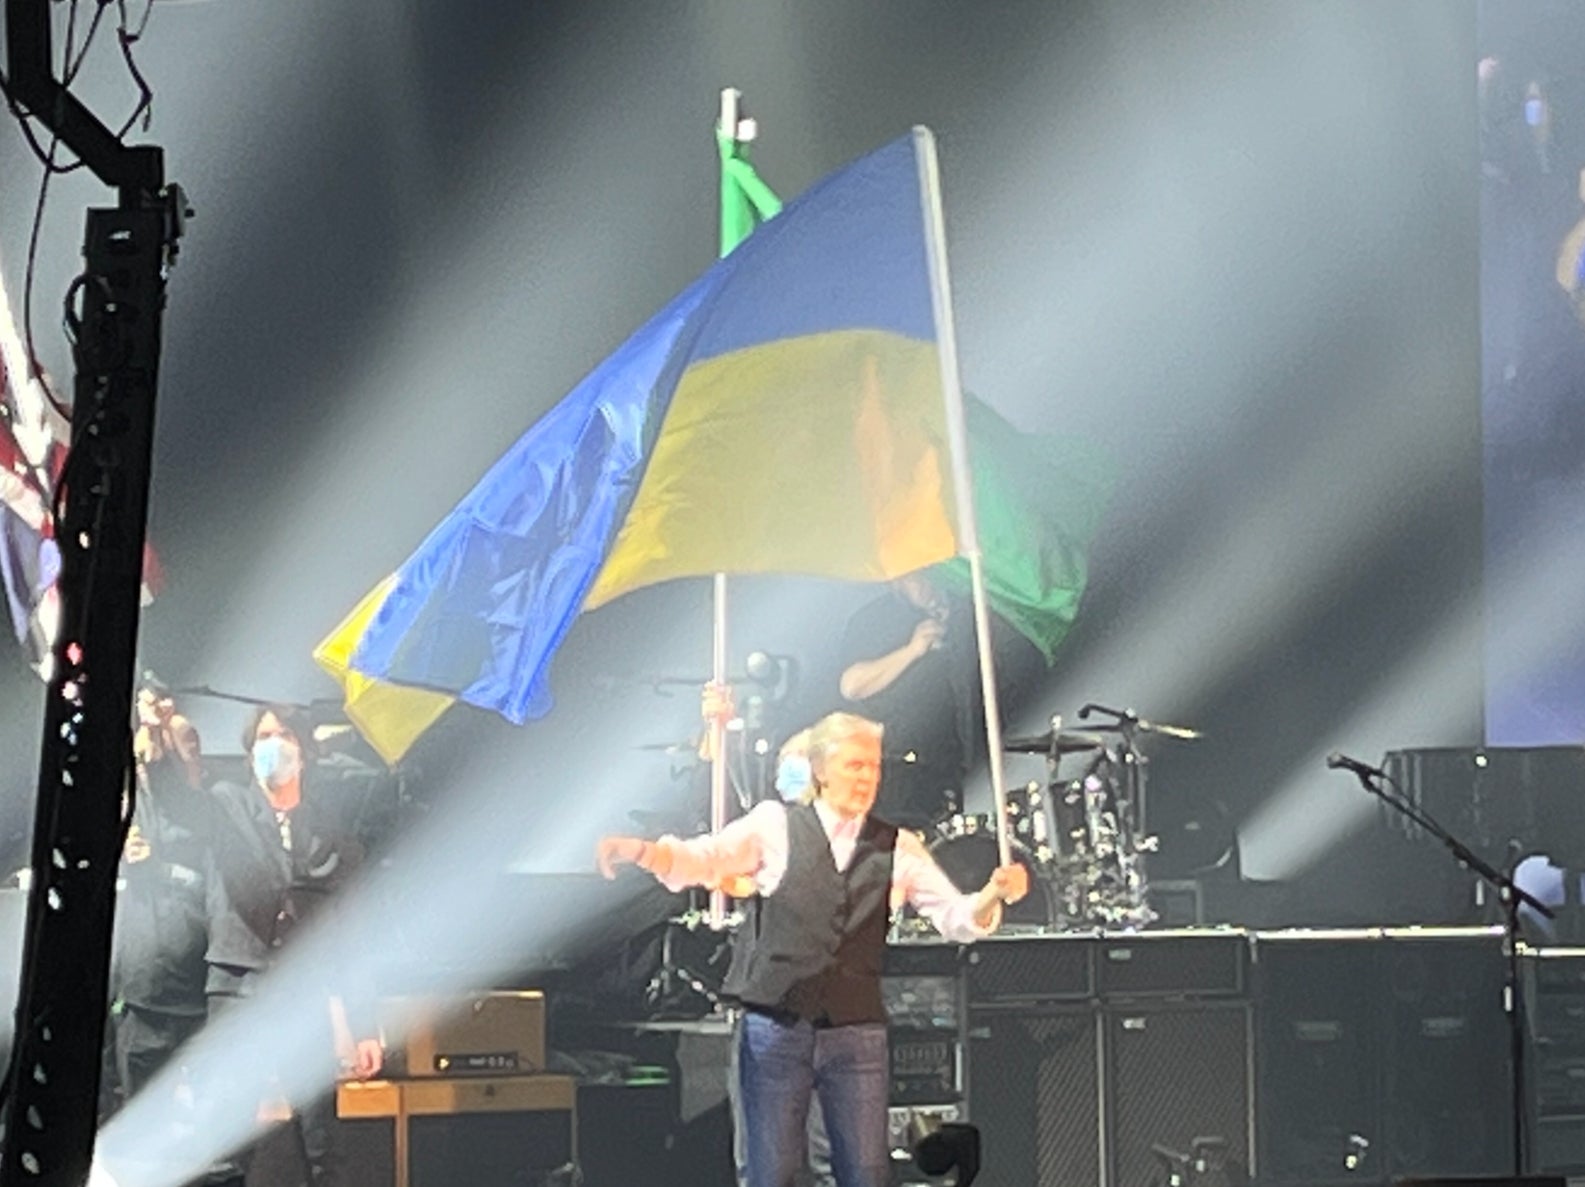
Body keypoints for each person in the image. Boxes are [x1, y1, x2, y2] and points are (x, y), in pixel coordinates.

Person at [598, 710, 1028, 1187]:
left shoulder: (897, 847)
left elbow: (956, 917)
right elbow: (705, 858)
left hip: (855, 1031)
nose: (867, 777)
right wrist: (643, 851)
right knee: (770, 1170)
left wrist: (991, 894)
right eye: (855, 766)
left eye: (873, 767)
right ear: (822, 770)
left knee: (864, 1172)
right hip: (777, 1025)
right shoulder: (775, 826)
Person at [203, 704, 382, 1186]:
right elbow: (187, 790)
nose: (273, 744)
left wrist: (362, 1023)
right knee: (230, 1127)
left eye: (283, 734)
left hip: (308, 991)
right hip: (240, 980)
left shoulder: (330, 832)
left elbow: (351, 932)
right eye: (263, 735)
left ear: (304, 751)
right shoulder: (228, 806)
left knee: (324, 1134)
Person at [837, 571, 1037, 829]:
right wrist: (912, 651)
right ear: (897, 580)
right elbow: (852, 685)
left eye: (933, 571)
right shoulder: (875, 618)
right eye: (916, 575)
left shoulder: (967, 609)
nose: (927, 581)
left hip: (965, 767)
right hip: (902, 772)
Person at [110, 681, 212, 1107]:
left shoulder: (211, 810)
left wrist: (162, 728)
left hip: (200, 999)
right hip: (142, 996)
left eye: (182, 744)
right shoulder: (128, 808)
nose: (167, 754)